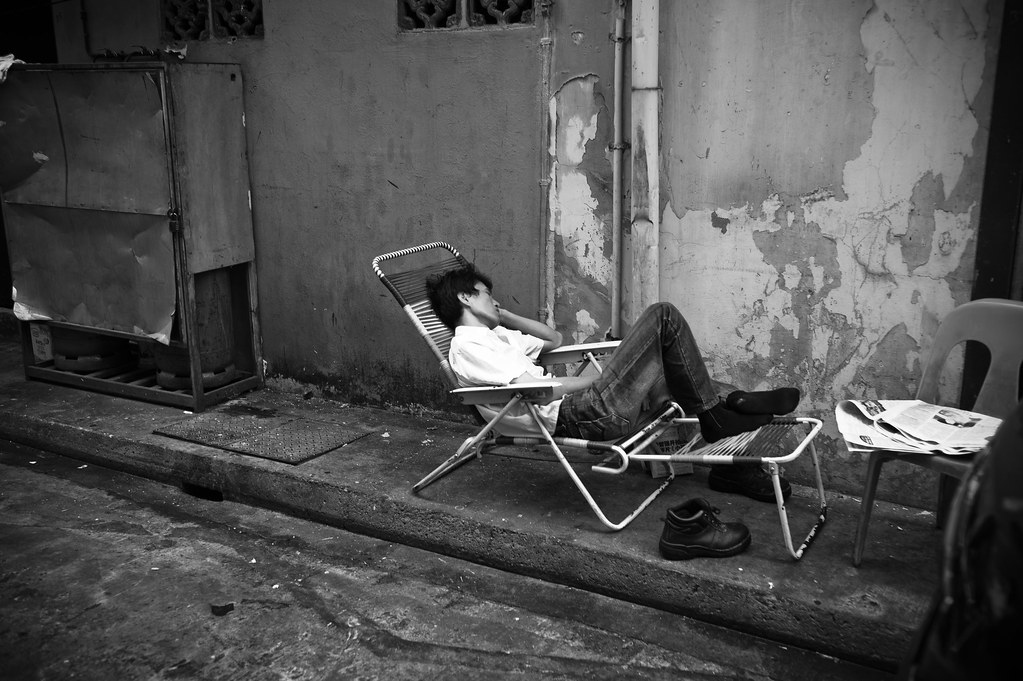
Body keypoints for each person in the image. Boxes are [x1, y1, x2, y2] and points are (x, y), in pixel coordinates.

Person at [426, 263, 802, 504]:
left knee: (675, 369)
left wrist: (504, 314)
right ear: (465, 297)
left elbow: (554, 341)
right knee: (663, 318)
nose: (494, 300)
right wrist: (600, 380)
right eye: (487, 294)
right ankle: (725, 408)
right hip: (580, 414)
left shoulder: (500, 337)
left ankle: (728, 433)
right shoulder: (467, 345)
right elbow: (535, 389)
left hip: (588, 405)